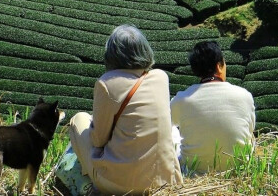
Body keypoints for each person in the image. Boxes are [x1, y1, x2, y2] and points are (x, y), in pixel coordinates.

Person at [68, 25, 182, 195]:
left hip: (121, 185)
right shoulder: (161, 77)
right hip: (163, 181)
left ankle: (90, 177)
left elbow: (98, 140)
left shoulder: (107, 83)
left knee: (78, 119)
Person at [170, 40, 255, 174]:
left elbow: (167, 125)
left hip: (194, 173)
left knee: (171, 130)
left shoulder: (181, 99)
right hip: (238, 170)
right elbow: (250, 132)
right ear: (219, 66)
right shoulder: (244, 96)